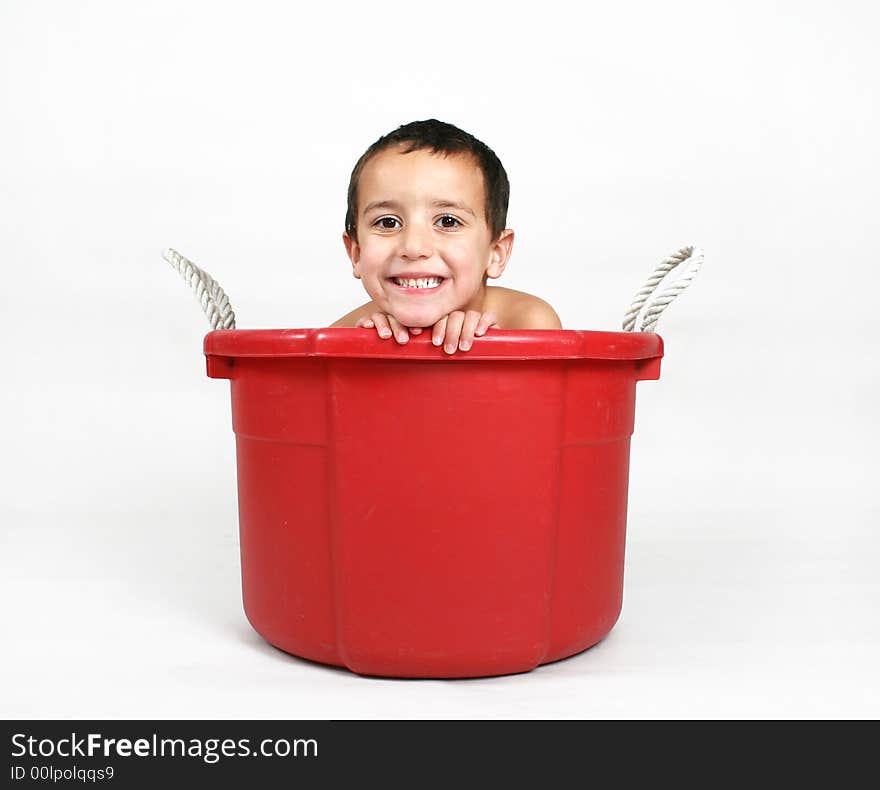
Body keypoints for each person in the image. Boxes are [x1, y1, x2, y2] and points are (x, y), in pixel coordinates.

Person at [329, 119, 562, 354]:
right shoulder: (339, 339)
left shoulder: (526, 323)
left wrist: (484, 348)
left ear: (496, 254)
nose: (413, 246)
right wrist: (365, 359)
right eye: (388, 222)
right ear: (356, 253)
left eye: (447, 221)